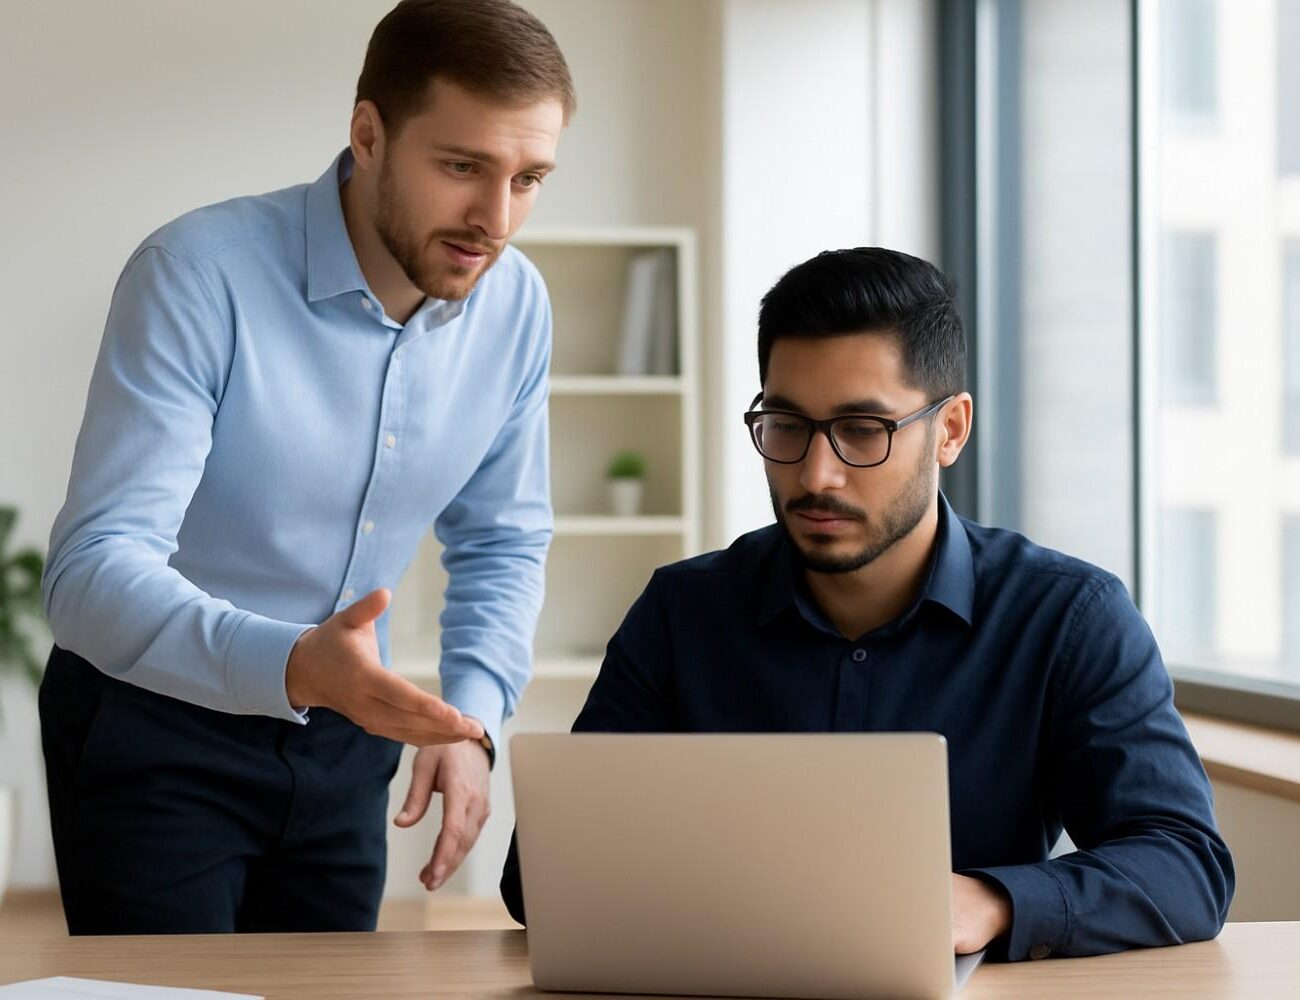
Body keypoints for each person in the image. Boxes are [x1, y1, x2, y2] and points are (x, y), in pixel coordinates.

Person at [501, 247, 1234, 961]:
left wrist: (993, 901)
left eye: (862, 431)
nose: (817, 474)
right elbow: (540, 879)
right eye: (787, 427)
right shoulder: (683, 610)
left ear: (949, 431)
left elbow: (1186, 866)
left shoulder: (1069, 617)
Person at [40, 0, 574, 935]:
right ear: (368, 134)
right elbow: (91, 572)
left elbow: (502, 539)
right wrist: (293, 663)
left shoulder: (517, 306)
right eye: (462, 168)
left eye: (528, 178)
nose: (495, 220)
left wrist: (471, 721)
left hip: (346, 735)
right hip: (154, 723)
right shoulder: (198, 273)